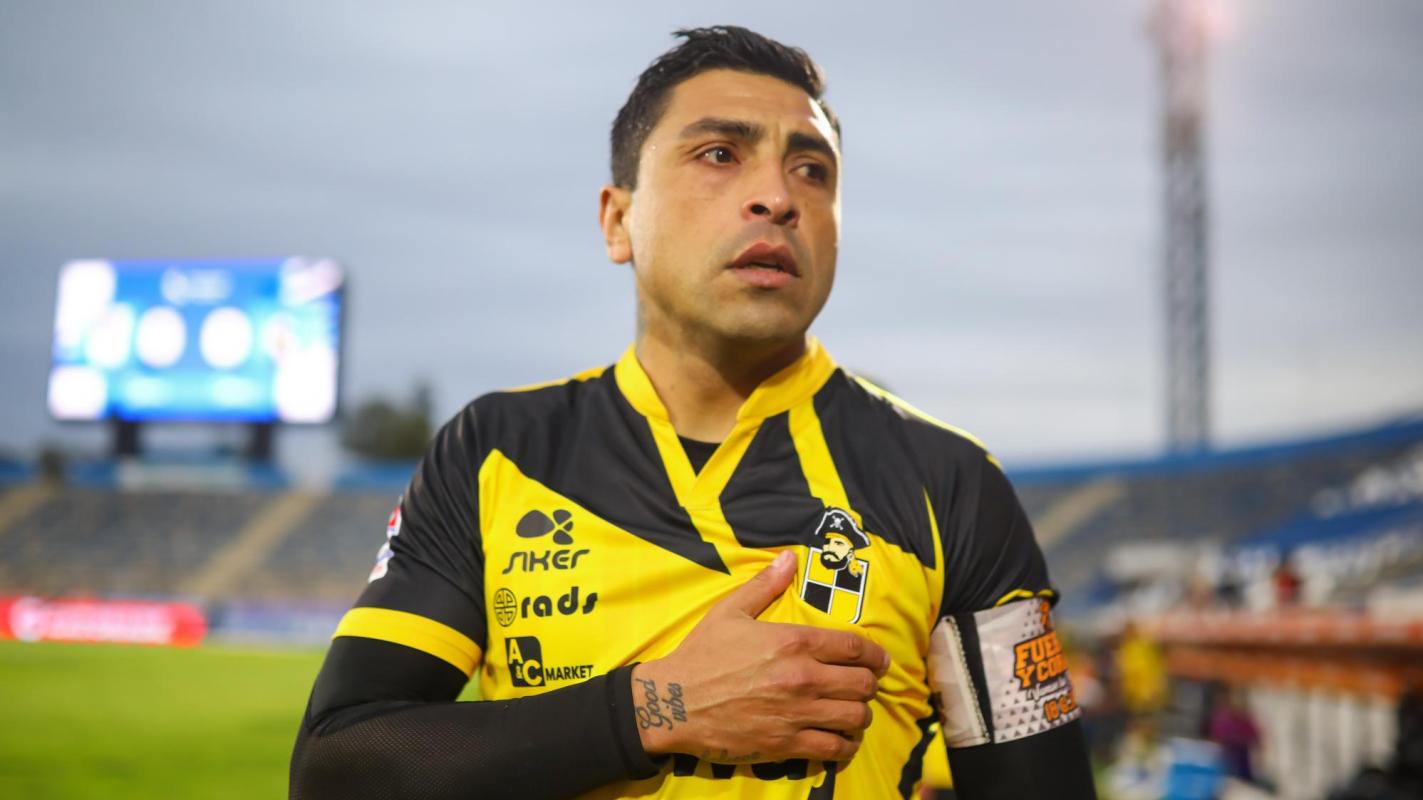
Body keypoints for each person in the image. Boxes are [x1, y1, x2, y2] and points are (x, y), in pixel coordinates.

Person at [289, 25, 1097, 799]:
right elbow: (336, 769)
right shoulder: (496, 451)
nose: (777, 197)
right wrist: (657, 707)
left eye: (811, 170)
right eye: (719, 154)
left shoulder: (949, 484)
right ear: (617, 221)